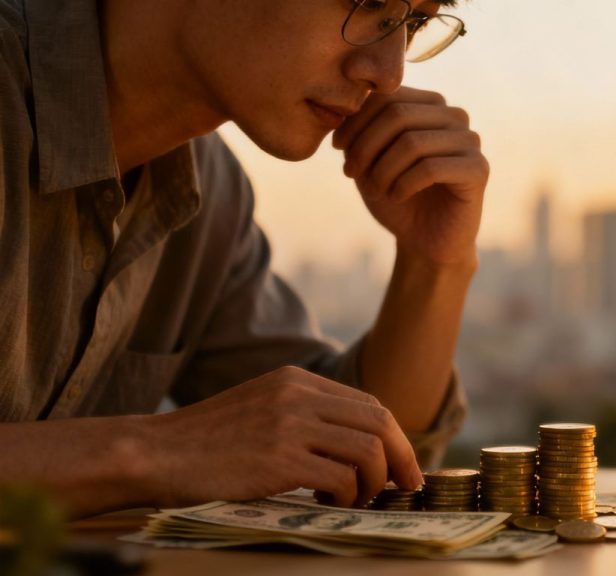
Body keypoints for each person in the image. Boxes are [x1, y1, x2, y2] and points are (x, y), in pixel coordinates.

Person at [0, 0, 488, 518]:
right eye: (367, 4)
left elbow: (363, 452)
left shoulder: (209, 195)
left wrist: (435, 262)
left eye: (411, 23)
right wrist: (161, 452)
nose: (388, 74)